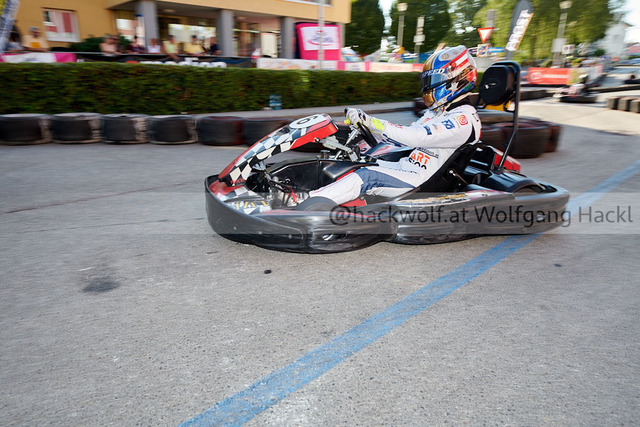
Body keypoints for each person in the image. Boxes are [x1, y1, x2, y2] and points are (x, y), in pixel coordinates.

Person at [296, 45, 481, 209]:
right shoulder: (437, 112)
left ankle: (306, 203)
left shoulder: (463, 119)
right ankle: (313, 194)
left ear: (458, 79)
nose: (428, 87)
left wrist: (371, 121)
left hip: (421, 181)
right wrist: (369, 129)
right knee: (356, 162)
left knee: (367, 176)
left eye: (434, 80)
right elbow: (403, 137)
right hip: (406, 167)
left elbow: (416, 136)